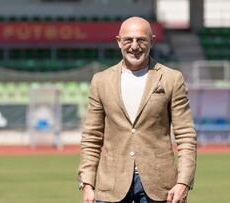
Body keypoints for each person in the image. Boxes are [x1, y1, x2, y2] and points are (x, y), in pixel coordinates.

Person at [78, 16, 197, 203]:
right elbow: (92, 136)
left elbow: (186, 135)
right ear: (119, 42)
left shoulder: (172, 79)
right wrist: (87, 184)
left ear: (152, 41)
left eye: (141, 40)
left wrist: (183, 182)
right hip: (110, 184)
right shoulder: (100, 81)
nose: (134, 46)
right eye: (128, 40)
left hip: (160, 186)